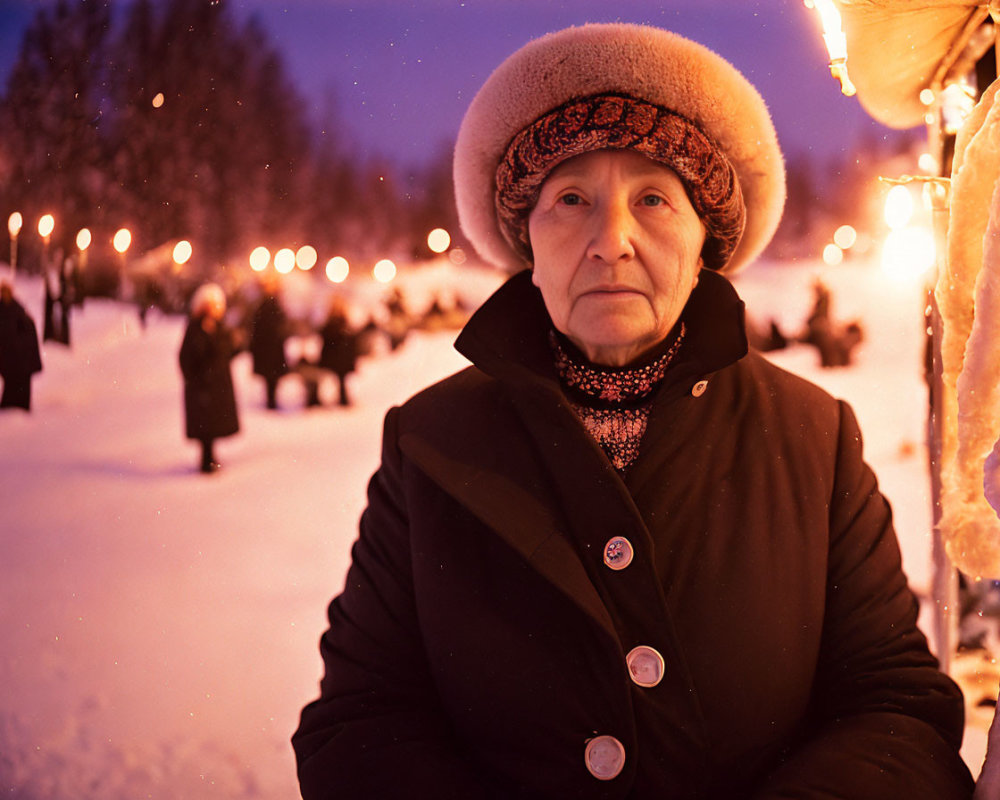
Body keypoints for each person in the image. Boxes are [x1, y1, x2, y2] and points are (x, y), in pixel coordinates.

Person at [292, 23, 974, 798]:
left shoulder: (813, 441)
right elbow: (362, 722)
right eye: (571, 199)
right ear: (529, 244)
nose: (610, 240)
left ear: (702, 241)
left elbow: (896, 710)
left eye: (653, 198)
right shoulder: (431, 446)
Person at [178, 282, 239, 474]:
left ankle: (210, 457)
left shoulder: (218, 328)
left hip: (215, 386)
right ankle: (206, 460)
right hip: (203, 387)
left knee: (212, 424)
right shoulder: (196, 328)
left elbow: (226, 352)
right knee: (206, 426)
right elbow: (188, 357)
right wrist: (201, 376)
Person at [0, 280, 42, 411]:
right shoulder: (3, 310)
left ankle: (19, 409)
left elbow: (29, 333)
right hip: (8, 358)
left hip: (19, 358)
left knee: (20, 385)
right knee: (11, 384)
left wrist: (20, 348)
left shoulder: (18, 310)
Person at [248, 277, 289, 409]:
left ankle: (271, 399)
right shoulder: (268, 306)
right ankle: (271, 400)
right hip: (268, 348)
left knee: (271, 377)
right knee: (270, 377)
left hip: (270, 348)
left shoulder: (269, 305)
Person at [317, 295, 360, 407]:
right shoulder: (336, 323)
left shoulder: (342, 322)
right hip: (337, 358)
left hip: (339, 358)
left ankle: (343, 399)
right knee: (340, 380)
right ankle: (343, 399)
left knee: (341, 380)